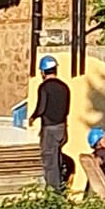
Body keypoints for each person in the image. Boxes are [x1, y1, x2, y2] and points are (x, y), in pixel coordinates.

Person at [30, 55, 72, 191]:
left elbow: (41, 107)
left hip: (50, 128)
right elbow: (67, 109)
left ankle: (54, 191)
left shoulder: (44, 87)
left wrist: (33, 117)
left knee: (50, 160)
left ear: (42, 72)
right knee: (57, 157)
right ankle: (61, 184)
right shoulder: (65, 87)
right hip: (62, 128)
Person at [78, 124, 105, 200]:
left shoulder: (94, 154)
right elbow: (100, 160)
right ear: (99, 142)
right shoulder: (104, 153)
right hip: (104, 190)